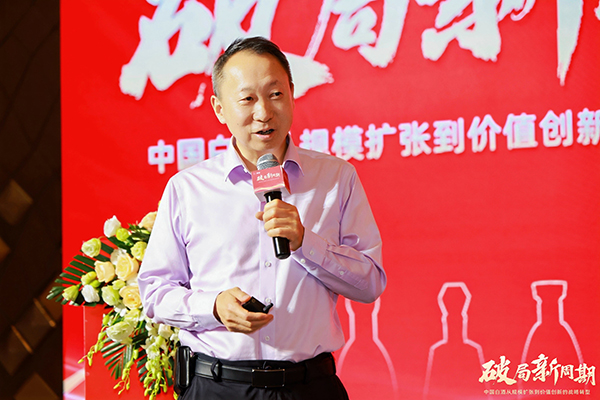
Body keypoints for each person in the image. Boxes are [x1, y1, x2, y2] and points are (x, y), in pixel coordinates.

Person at [138, 36, 386, 400]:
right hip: (217, 387)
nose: (264, 113)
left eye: (275, 94)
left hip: (309, 388)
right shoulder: (188, 189)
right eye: (247, 99)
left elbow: (370, 283)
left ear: (292, 95)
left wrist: (305, 243)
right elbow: (155, 293)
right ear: (219, 108)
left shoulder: (336, 178)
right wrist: (213, 307)